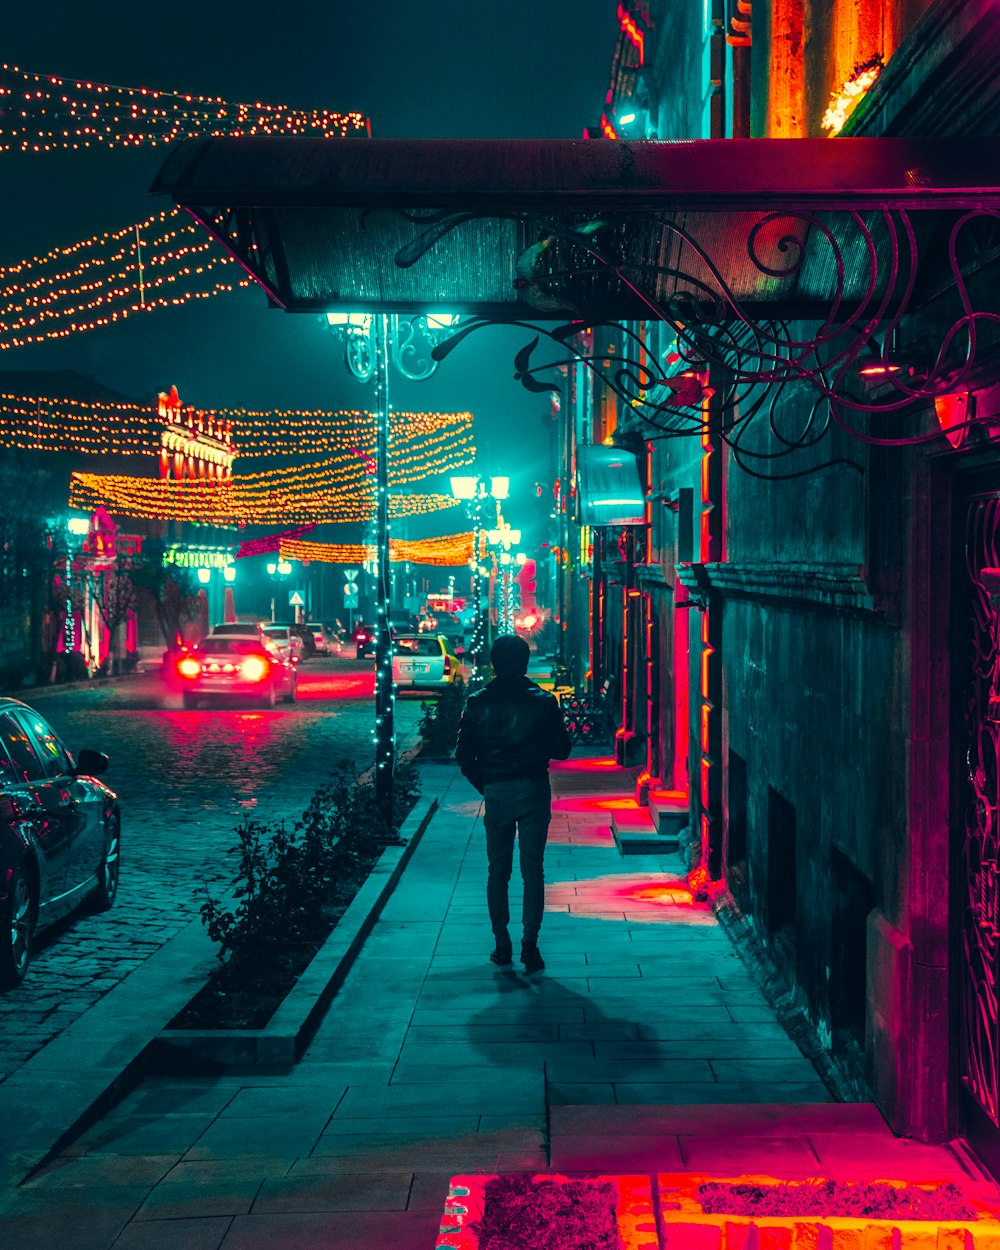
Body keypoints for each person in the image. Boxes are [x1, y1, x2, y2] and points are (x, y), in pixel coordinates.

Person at [455, 634, 572, 972]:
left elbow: (464, 755)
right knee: (533, 868)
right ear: (523, 661)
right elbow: (562, 750)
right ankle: (530, 945)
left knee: (498, 870)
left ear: (494, 663)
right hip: (534, 786)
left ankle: (501, 943)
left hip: (497, 789)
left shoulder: (477, 703)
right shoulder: (543, 701)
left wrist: (487, 783)